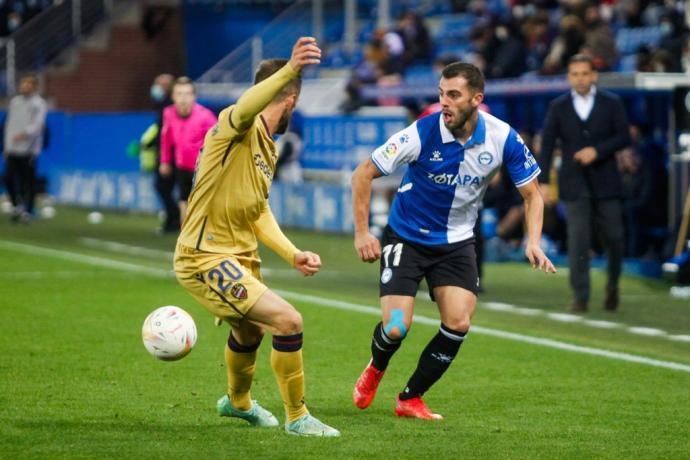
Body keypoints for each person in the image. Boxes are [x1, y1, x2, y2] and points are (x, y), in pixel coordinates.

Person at [351, 62, 556, 420]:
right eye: (441, 93)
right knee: (397, 326)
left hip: (457, 242)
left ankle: (410, 398)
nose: (444, 102)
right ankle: (376, 367)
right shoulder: (421, 132)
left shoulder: (503, 136)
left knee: (459, 322)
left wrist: (533, 241)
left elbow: (533, 195)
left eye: (454, 95)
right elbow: (363, 173)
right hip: (406, 237)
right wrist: (362, 232)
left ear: (477, 99)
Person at [173, 37, 339, 437]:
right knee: (288, 321)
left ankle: (237, 402)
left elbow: (258, 208)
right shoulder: (235, 125)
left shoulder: (267, 146)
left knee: (248, 331)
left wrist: (291, 253)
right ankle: (297, 416)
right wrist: (290, 71)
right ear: (292, 101)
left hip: (237, 255)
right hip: (205, 256)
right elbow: (248, 105)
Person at [540, 54, 630, 312]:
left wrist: (597, 151)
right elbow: (547, 145)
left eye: (584, 73)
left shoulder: (611, 102)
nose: (580, 78)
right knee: (578, 239)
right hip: (573, 183)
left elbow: (623, 137)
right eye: (575, 74)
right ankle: (580, 295)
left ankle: (612, 285)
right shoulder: (558, 106)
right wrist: (544, 182)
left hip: (607, 181)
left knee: (614, 237)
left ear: (593, 75)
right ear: (569, 77)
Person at [159, 77, 217, 225]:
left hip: (203, 168)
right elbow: (166, 138)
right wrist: (165, 161)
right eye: (179, 94)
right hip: (182, 166)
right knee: (183, 201)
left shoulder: (206, 116)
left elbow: (219, 141)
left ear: (193, 96)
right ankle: (185, 239)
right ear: (173, 96)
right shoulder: (168, 113)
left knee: (202, 206)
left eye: (187, 94)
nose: (183, 98)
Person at [3, 74, 47, 223]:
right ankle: (16, 205)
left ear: (34, 87)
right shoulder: (15, 102)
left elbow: (38, 125)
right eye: (23, 84)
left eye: (28, 84)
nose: (24, 87)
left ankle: (27, 210)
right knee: (8, 178)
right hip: (13, 148)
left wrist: (25, 134)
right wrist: (6, 146)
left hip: (29, 149)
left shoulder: (39, 104)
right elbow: (9, 124)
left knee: (27, 181)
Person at [140, 73, 180, 233]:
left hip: (170, 155)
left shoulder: (168, 107)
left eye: (159, 85)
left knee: (164, 188)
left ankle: (174, 219)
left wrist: (154, 146)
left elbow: (165, 132)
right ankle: (173, 220)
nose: (155, 88)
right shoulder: (162, 105)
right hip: (168, 154)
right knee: (166, 189)